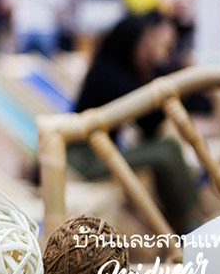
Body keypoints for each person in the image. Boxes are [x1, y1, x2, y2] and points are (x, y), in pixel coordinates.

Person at [68, 12, 199, 232]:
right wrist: (156, 67)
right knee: (166, 151)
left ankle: (183, 221)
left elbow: (149, 128)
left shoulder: (111, 72)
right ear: (130, 44)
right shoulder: (108, 77)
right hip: (84, 160)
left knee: (166, 150)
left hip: (100, 153)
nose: (149, 49)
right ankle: (187, 224)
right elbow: (151, 118)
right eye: (145, 44)